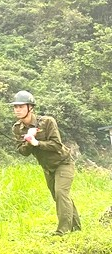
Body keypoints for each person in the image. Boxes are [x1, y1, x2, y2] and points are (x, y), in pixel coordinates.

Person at [10, 90, 81, 235]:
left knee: (61, 193)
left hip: (63, 163)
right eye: (15, 107)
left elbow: (56, 145)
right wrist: (29, 142)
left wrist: (37, 143)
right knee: (58, 196)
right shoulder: (17, 128)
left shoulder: (47, 122)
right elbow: (23, 152)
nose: (17, 110)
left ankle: (63, 231)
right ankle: (76, 228)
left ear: (30, 107)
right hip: (47, 167)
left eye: (21, 106)